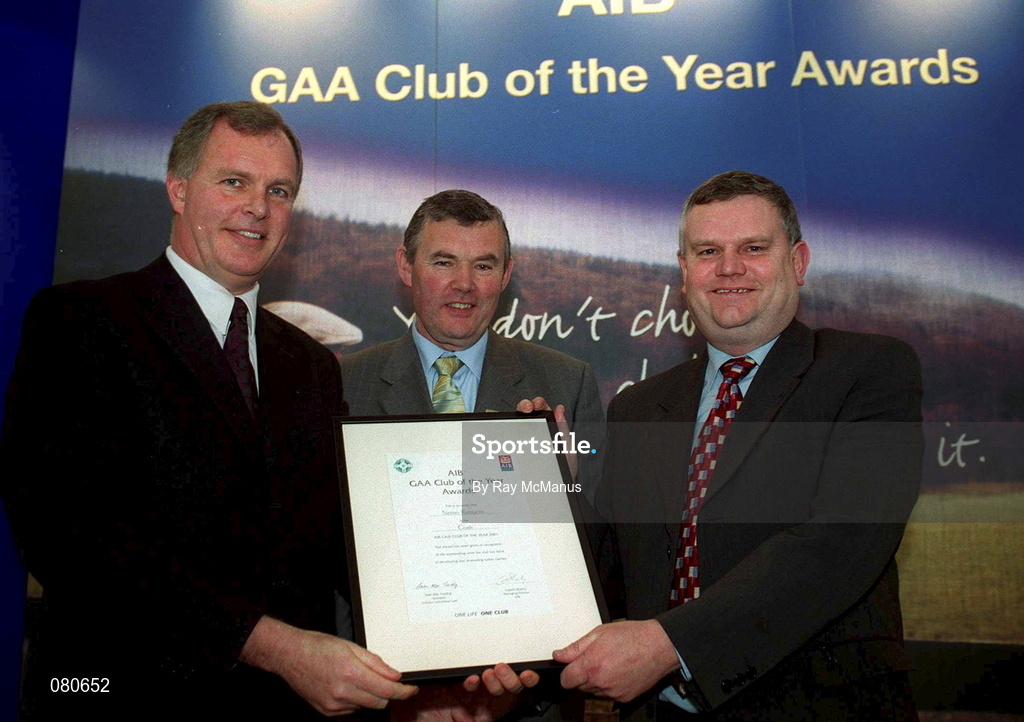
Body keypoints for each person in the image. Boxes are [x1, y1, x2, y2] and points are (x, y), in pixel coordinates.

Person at [0, 101, 420, 720]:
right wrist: (276, 648)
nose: (258, 207)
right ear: (177, 189)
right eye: (234, 182)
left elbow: (341, 542)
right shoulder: (82, 322)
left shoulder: (310, 365)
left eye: (279, 190)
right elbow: (72, 537)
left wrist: (462, 644)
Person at [554, 171, 924, 720]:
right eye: (708, 251)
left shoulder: (868, 371)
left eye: (753, 248)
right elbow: (611, 569)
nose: (729, 268)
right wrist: (546, 484)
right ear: (684, 271)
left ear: (797, 262)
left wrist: (667, 644)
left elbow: (841, 542)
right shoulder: (637, 408)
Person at [339, 189, 603, 484]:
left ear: (505, 275)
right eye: (444, 262)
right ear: (406, 266)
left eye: (483, 266)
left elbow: (601, 525)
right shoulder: (344, 385)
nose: (464, 284)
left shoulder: (567, 385)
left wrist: (560, 485)